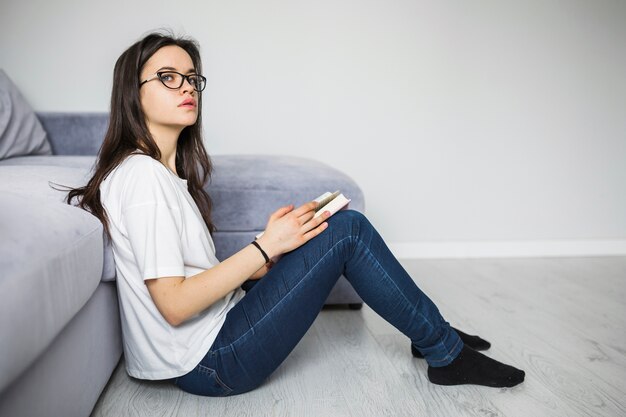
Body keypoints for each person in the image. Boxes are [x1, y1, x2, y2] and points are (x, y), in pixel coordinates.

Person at [64, 31, 525, 397]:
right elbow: (175, 304)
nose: (186, 86)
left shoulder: (163, 177)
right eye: (168, 77)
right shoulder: (141, 179)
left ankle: (428, 332)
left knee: (331, 225)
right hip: (210, 363)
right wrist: (266, 245)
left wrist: (265, 258)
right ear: (132, 92)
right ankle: (442, 348)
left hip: (211, 344)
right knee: (347, 230)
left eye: (191, 78)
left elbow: (193, 284)